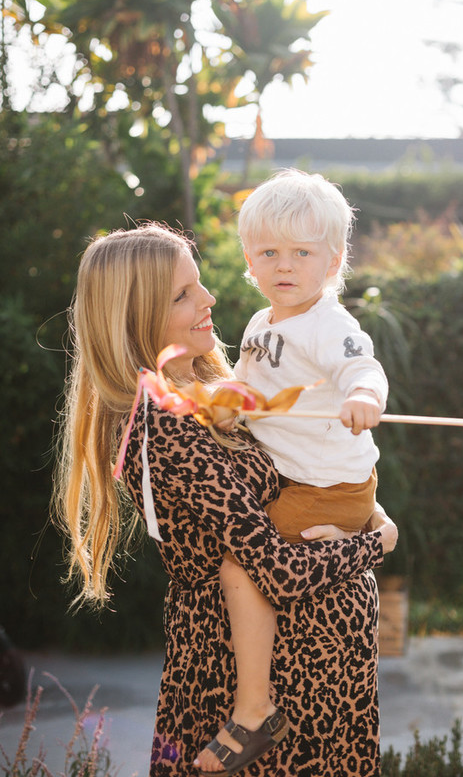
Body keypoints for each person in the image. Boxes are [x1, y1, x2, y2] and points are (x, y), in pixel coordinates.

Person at [52, 222, 398, 777]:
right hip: (262, 687)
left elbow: (302, 475)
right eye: (183, 295)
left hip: (325, 674)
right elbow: (276, 572)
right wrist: (378, 542)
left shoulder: (215, 388)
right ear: (138, 318)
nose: (209, 300)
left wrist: (362, 503)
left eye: (201, 283)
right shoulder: (164, 430)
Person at [198, 169, 389, 774]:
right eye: (268, 253)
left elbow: (366, 369)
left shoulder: (329, 326)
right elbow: (251, 392)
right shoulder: (261, 324)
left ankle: (255, 709)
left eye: (302, 253)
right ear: (249, 261)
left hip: (326, 488)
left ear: (332, 262)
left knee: (241, 569)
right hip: (297, 480)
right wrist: (229, 401)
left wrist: (363, 396)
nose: (284, 266)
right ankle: (353, 539)